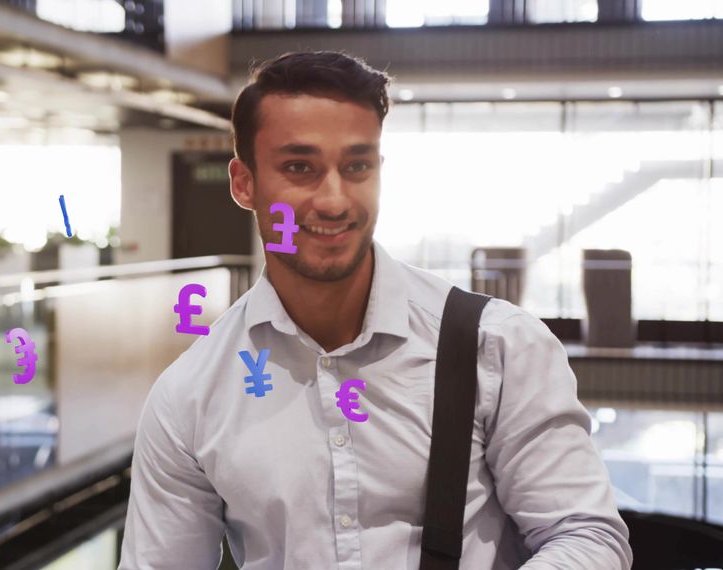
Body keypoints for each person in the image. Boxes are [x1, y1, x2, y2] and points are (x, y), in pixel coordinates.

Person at [118, 50, 632, 569]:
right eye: (300, 167)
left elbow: (585, 536)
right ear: (243, 183)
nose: (335, 200)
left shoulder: (496, 345)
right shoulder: (190, 395)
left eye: (357, 165)